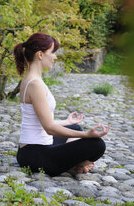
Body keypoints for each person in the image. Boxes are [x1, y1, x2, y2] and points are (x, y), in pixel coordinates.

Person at [14, 32, 110, 177]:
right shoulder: (35, 84)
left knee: (74, 127)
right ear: (40, 55)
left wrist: (67, 121)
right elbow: (49, 128)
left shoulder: (31, 79)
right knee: (97, 144)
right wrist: (86, 135)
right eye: (52, 52)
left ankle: (75, 164)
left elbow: (41, 120)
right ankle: (76, 165)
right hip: (34, 156)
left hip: (31, 148)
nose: (55, 57)